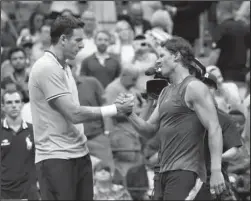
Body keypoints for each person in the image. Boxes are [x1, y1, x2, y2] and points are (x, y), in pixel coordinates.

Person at [28, 15, 134, 200]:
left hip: (79, 153)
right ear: (63, 39)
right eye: (78, 40)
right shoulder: (46, 67)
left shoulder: (65, 67)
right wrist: (115, 109)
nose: (82, 45)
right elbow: (74, 114)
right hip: (55, 157)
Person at [116, 36, 226, 200]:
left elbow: (214, 127)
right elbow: (148, 130)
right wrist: (129, 113)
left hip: (186, 171)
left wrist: (216, 170)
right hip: (163, 171)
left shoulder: (194, 87)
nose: (157, 61)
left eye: (161, 55)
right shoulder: (165, 92)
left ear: (177, 56)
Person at [1, 90, 39, 200]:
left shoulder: (33, 131)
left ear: (22, 105)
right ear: (2, 107)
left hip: (29, 194)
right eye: (9, 102)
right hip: (4, 195)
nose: (14, 106)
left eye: (17, 102)